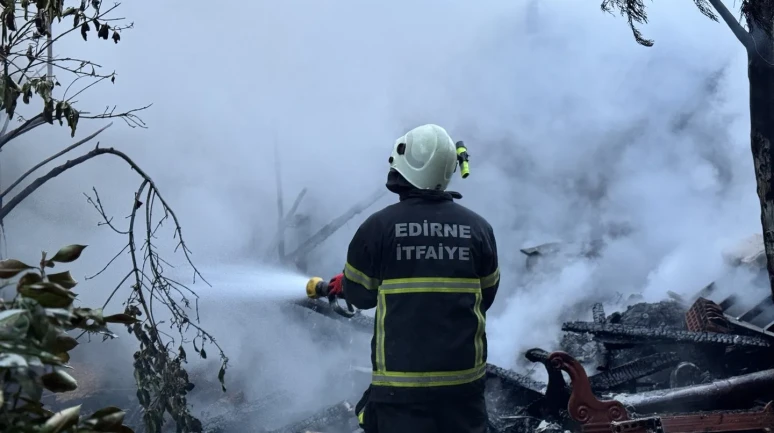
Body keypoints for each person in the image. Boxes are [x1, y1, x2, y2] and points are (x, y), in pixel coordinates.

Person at [326, 124, 500, 433]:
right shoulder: (479, 229)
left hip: (401, 392)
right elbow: (485, 298)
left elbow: (360, 296)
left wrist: (349, 283)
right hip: (464, 392)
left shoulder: (378, 228)